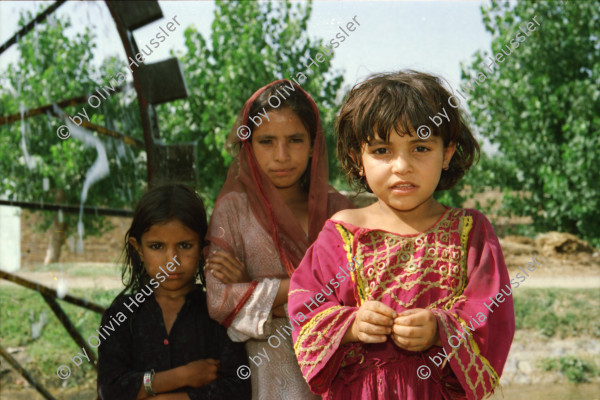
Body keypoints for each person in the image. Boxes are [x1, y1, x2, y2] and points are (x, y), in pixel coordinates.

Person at [288, 71, 515, 400]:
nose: (401, 166)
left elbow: (494, 315)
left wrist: (440, 329)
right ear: (357, 158)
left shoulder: (470, 231)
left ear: (447, 153)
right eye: (381, 150)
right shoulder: (341, 233)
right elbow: (304, 309)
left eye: (420, 148)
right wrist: (351, 326)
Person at [204, 79, 353, 399]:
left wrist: (257, 290)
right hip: (264, 371)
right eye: (267, 141)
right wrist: (308, 293)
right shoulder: (233, 211)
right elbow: (218, 300)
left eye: (295, 140)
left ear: (314, 144)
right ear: (249, 144)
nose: (282, 155)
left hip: (335, 368)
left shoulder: (338, 211)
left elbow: (355, 292)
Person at [97, 184, 251, 400]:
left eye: (185, 245)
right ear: (138, 248)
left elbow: (237, 389)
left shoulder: (218, 310)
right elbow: (110, 389)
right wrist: (183, 376)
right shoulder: (122, 314)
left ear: (202, 247)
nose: (172, 261)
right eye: (157, 246)